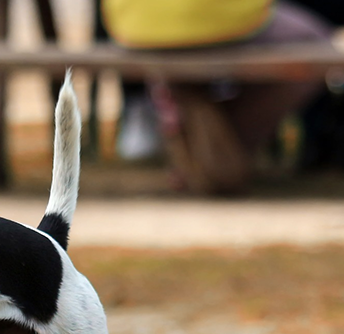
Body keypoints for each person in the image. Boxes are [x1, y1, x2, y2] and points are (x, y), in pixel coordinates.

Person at [101, 0, 334, 194]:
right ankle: (226, 142)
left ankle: (197, 135)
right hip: (225, 18)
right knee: (317, 45)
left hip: (134, 22)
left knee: (182, 54)